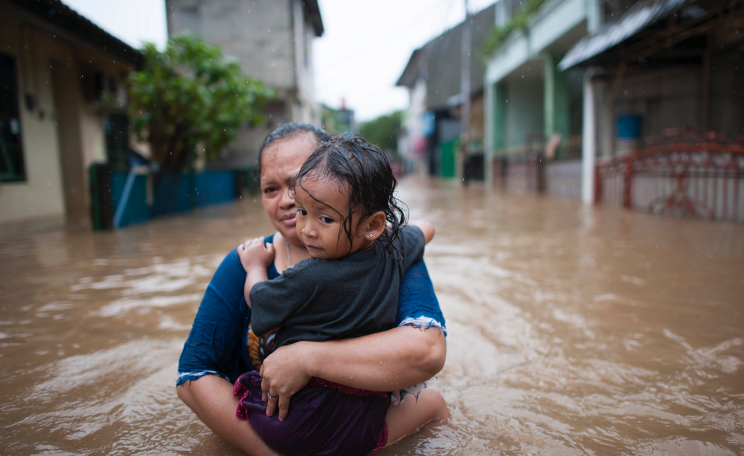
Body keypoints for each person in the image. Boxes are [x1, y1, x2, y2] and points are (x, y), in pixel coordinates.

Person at [176, 123, 447, 456]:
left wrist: (308, 358)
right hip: (336, 433)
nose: (287, 201)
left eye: (296, 183)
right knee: (432, 403)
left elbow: (427, 352)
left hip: (319, 427)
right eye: (270, 189)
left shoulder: (385, 248)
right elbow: (193, 375)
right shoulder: (243, 260)